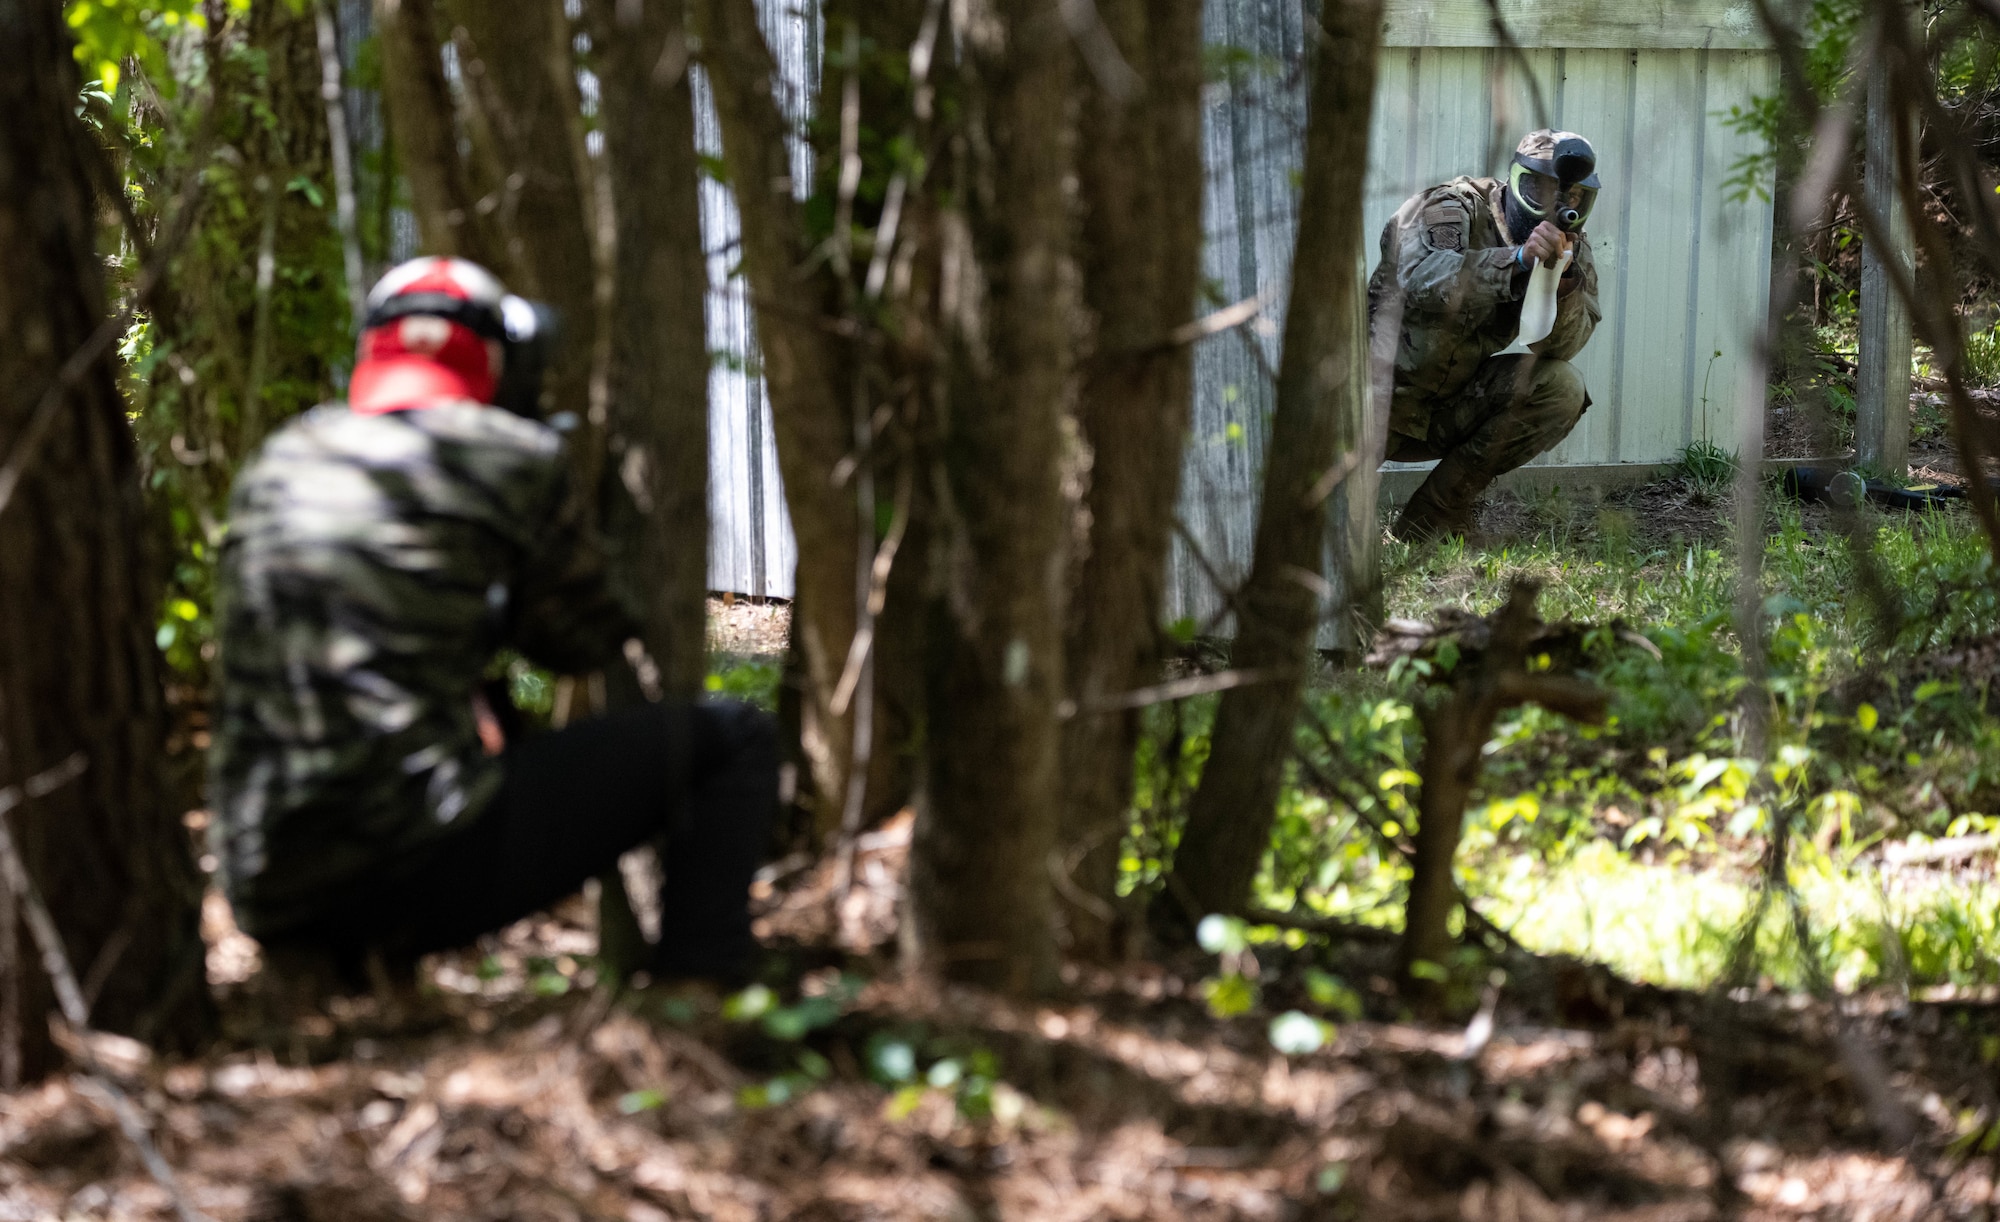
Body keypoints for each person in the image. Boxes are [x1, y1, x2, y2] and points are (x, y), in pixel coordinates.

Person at [209, 256, 775, 985]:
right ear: (500, 359)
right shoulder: (512, 455)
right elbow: (582, 641)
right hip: (413, 866)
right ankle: (702, 991)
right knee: (735, 738)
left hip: (262, 879)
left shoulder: (280, 460)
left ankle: (340, 973)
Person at [1368, 129, 1604, 540]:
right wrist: (1515, 261)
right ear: (1515, 182)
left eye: (1571, 198)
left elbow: (1561, 347)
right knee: (1316, 523)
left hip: (1450, 407)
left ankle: (1434, 517)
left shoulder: (1570, 250)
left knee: (1561, 388)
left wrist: (1561, 284)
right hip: (1370, 399)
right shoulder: (1450, 207)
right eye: (1541, 190)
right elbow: (1419, 277)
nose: (1557, 207)